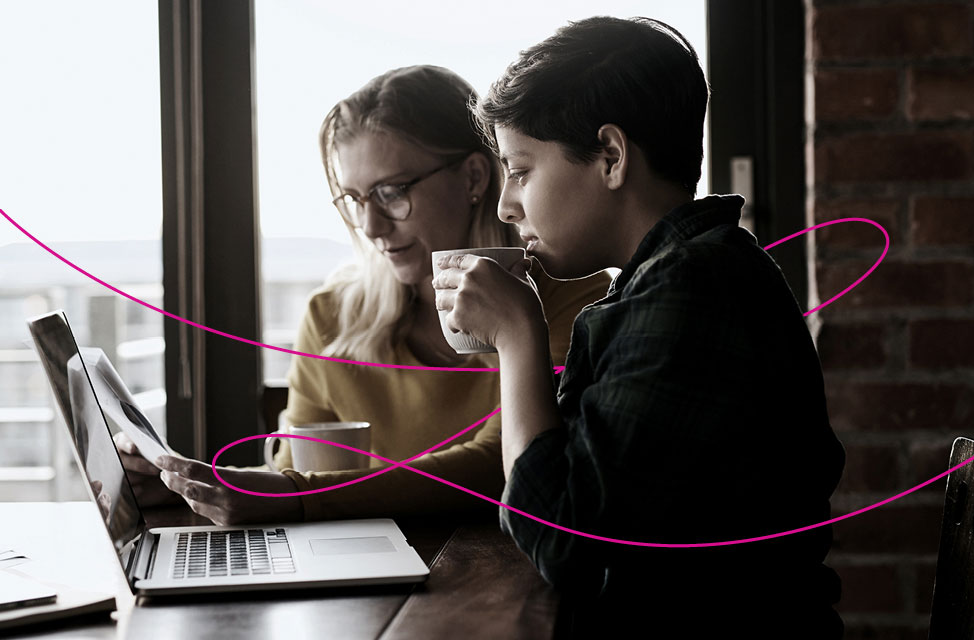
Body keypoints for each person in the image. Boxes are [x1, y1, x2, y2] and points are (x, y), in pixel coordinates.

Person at [431, 17, 845, 636]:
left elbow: (560, 534)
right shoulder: (676, 276)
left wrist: (519, 335)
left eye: (520, 170)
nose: (504, 206)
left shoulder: (693, 292)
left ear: (611, 156)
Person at [116, 65, 610, 526]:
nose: (371, 227)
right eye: (356, 200)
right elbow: (295, 471)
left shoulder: (572, 299)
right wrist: (186, 487)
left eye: (392, 192)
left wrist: (286, 494)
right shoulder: (332, 317)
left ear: (475, 178)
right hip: (361, 595)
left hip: (512, 592)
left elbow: (498, 465)